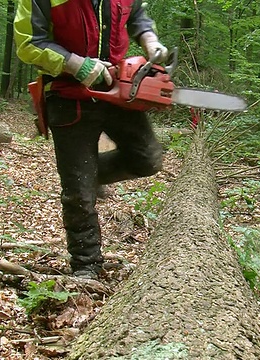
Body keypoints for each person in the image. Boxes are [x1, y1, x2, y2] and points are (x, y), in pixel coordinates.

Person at [13, 0, 167, 279]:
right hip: (68, 95)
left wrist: (150, 40)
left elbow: (137, 16)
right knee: (79, 196)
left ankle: (88, 175)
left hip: (117, 87)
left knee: (148, 158)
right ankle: (86, 267)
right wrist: (76, 64)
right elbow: (28, 43)